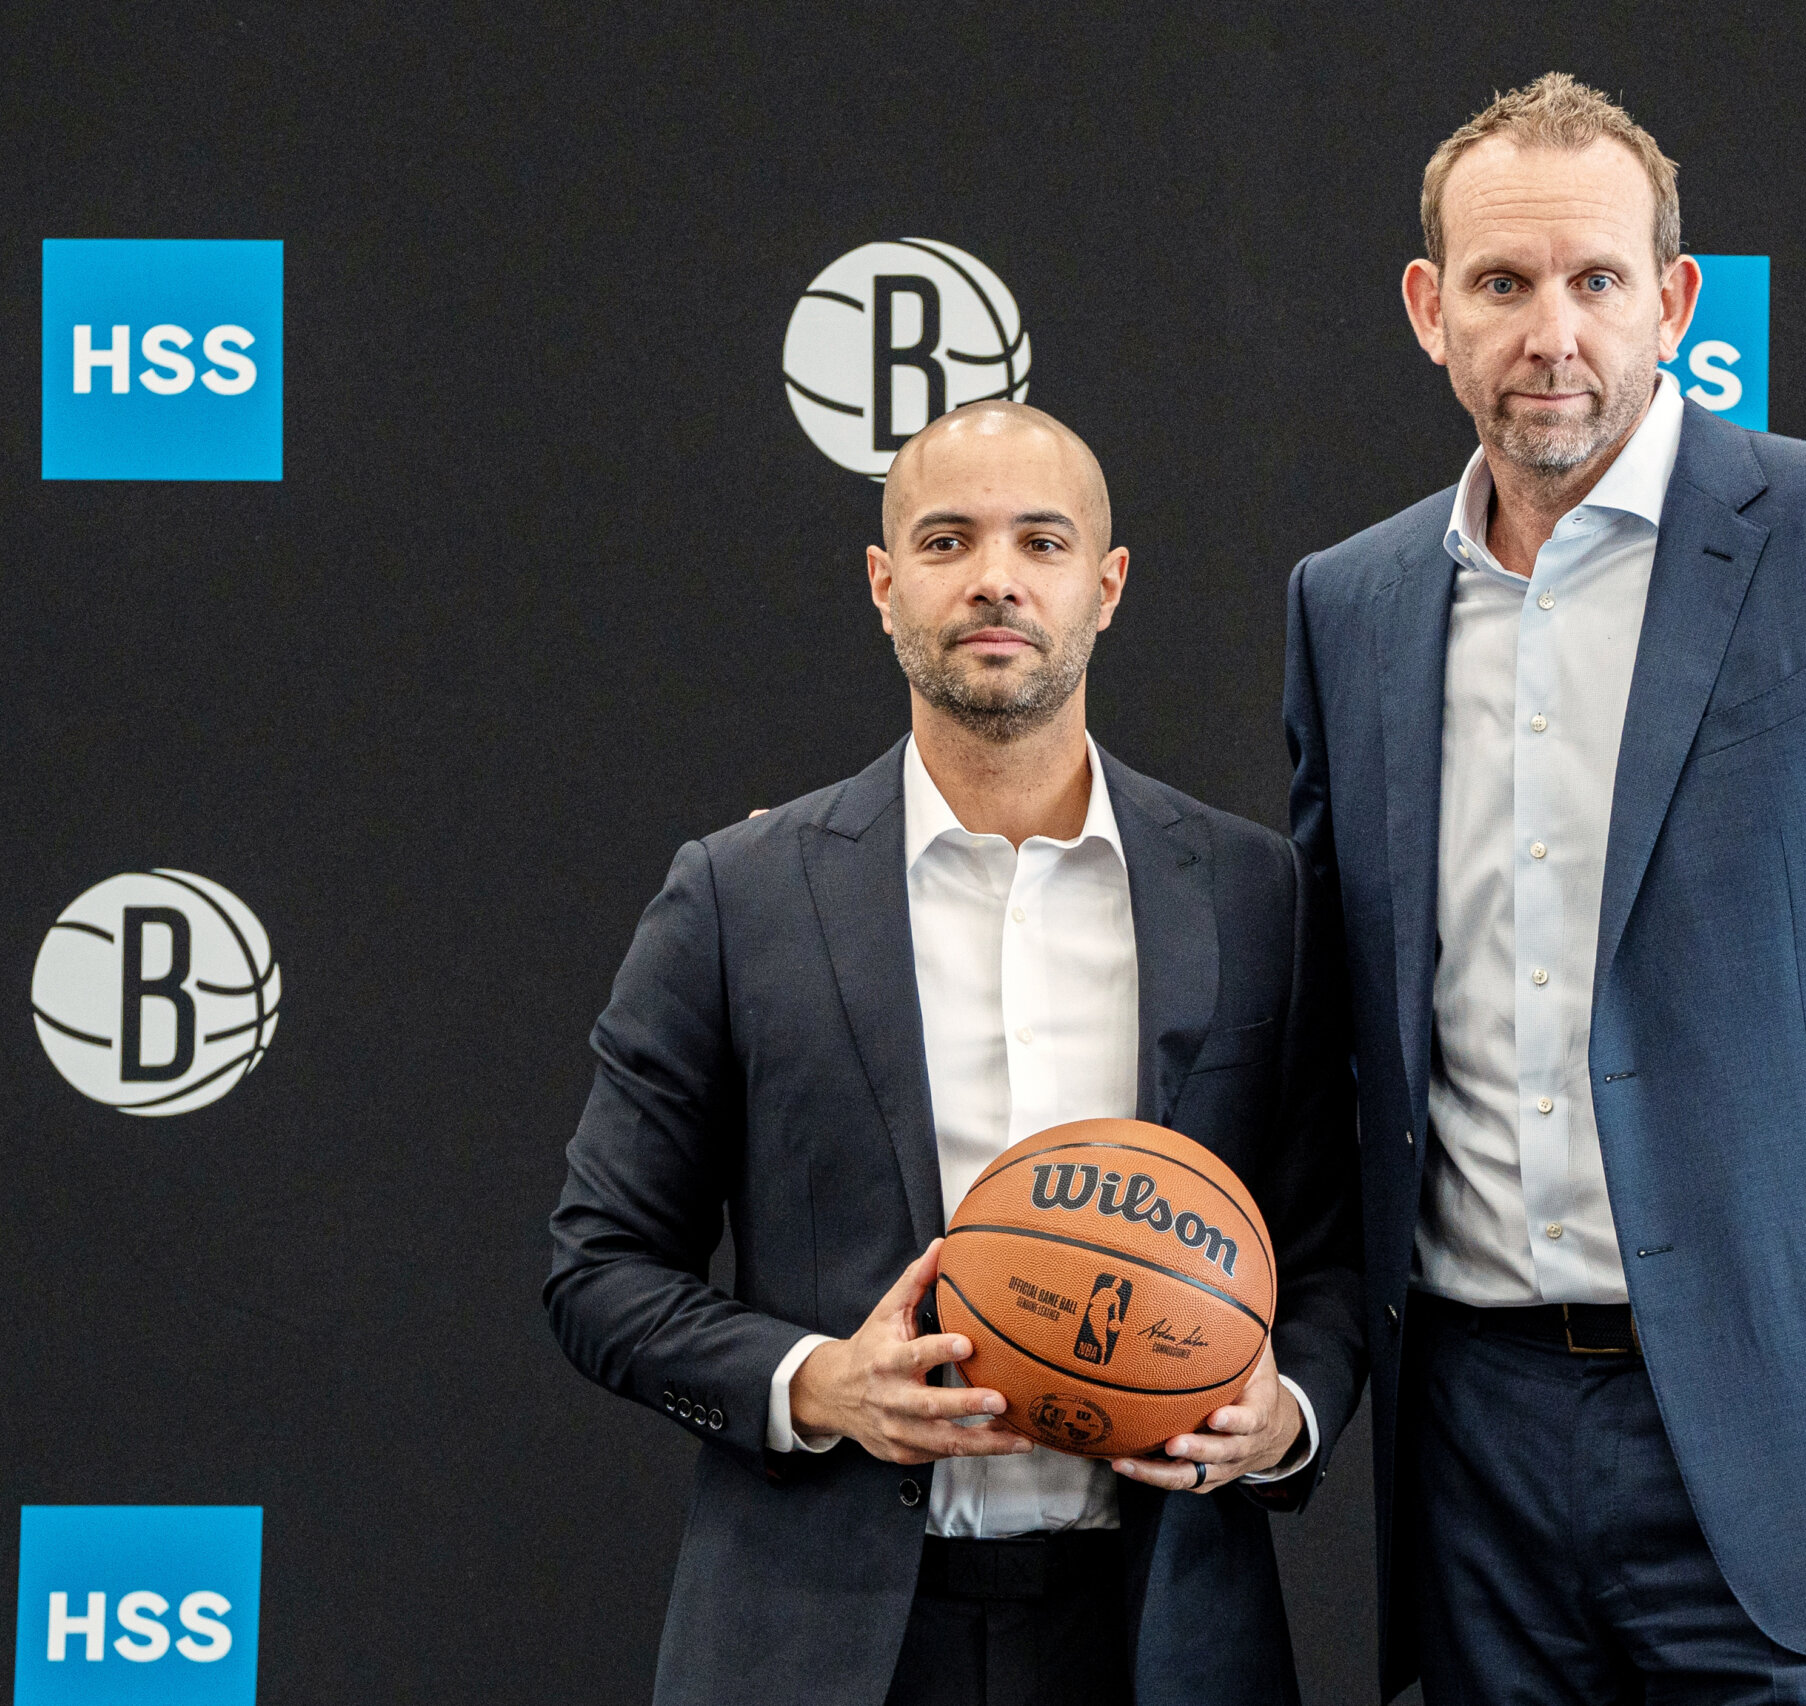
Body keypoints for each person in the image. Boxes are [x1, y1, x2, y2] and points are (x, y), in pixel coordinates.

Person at [1281, 73, 1806, 1704]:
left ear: (1671, 301)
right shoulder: (1351, 601)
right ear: (1426, 308)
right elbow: (1334, 1039)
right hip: (1472, 1454)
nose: (1551, 335)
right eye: (1503, 284)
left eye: (1596, 281)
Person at [549, 400, 1363, 1706]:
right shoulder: (737, 895)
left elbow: (1328, 1251)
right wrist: (819, 1383)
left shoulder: (1254, 893)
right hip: (825, 1638)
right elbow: (596, 1267)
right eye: (947, 539)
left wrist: (1282, 1415)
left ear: (1107, 587)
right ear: (885, 584)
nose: (995, 576)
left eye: (1041, 541)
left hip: (1162, 1639)